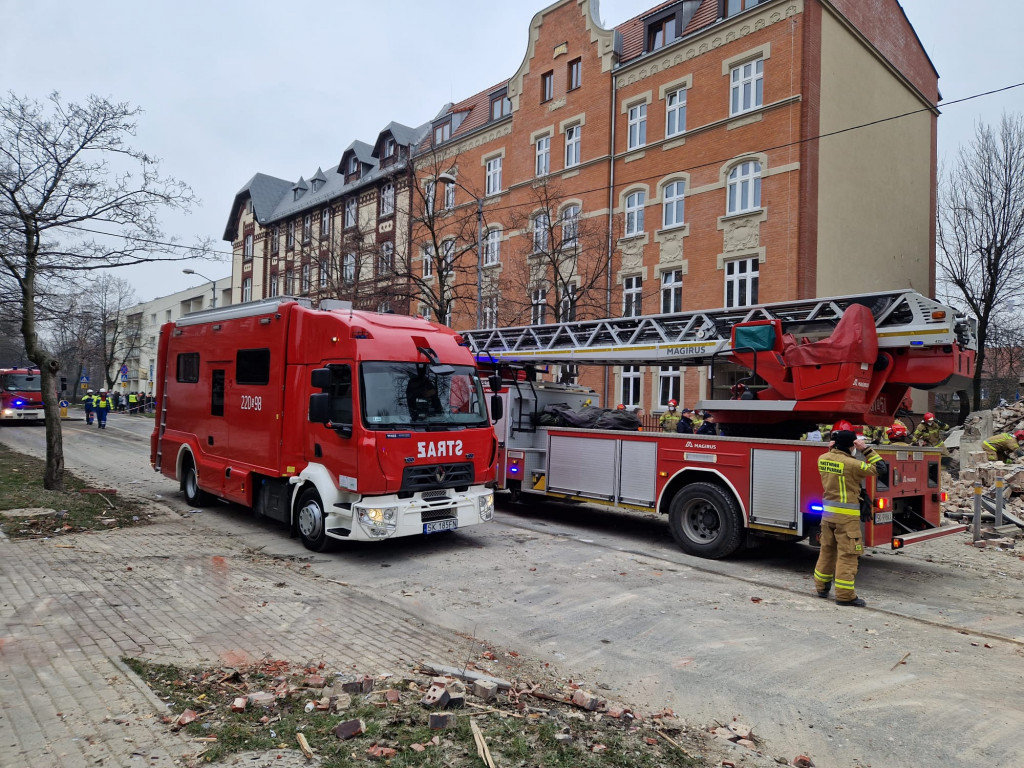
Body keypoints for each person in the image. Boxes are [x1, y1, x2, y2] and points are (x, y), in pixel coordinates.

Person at [813, 421, 886, 607]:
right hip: (846, 519)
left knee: (827, 551)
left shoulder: (823, 458)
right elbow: (881, 469)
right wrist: (866, 449)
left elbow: (833, 454)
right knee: (847, 555)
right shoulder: (853, 464)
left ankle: (821, 588)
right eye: (855, 445)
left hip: (827, 516)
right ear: (852, 446)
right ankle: (845, 596)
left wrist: (834, 447)